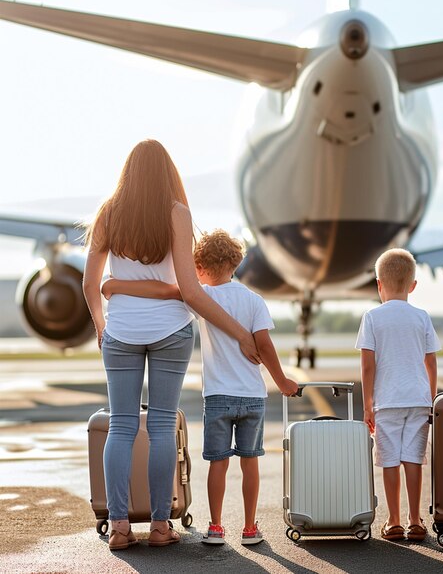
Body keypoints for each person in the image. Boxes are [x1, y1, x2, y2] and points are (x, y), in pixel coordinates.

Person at [82, 139, 260, 551]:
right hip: (170, 333)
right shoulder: (177, 213)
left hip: (120, 333)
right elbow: (191, 291)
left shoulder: (108, 213)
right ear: (168, 173)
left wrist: (100, 323)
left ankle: (120, 527)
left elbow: (91, 283)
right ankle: (161, 526)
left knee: (122, 427)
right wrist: (241, 333)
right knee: (162, 426)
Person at [102, 228, 299, 546]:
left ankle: (217, 526)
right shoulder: (254, 301)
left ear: (201, 268)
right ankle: (250, 528)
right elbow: (263, 344)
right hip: (252, 395)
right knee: (251, 463)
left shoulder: (200, 296)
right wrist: (281, 380)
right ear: (235, 263)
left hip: (218, 395)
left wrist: (112, 285)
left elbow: (166, 292)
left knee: (218, 464)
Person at [355, 248, 440, 542]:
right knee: (413, 459)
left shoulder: (372, 317)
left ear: (379, 284)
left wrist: (367, 404)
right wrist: (431, 399)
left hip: (387, 401)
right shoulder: (422, 317)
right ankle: (415, 520)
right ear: (413, 285)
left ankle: (393, 522)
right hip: (418, 399)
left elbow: (368, 365)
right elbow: (431, 363)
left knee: (389, 460)